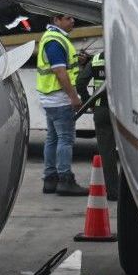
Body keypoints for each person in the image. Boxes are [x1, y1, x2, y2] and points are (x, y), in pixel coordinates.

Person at [36, 14, 89, 196]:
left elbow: (63, 67)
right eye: (68, 18)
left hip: (50, 98)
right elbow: (60, 72)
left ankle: (50, 179)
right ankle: (65, 179)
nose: (73, 21)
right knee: (65, 139)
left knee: (53, 138)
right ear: (56, 20)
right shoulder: (55, 41)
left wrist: (77, 61)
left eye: (73, 18)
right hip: (60, 99)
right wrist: (73, 97)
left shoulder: (54, 38)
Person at [86, 51, 118, 201]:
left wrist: (90, 102)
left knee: (107, 153)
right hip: (122, 111)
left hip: (102, 110)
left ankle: (113, 192)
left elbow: (81, 82)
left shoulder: (97, 59)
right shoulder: (123, 56)